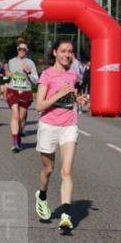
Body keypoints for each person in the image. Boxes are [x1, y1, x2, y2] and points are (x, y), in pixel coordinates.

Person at [34, 37, 87, 232]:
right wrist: (58, 94)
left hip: (69, 125)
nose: (67, 55)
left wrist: (77, 98)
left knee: (66, 171)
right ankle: (41, 196)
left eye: (70, 51)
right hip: (49, 125)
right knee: (48, 169)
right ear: (55, 52)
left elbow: (70, 97)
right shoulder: (47, 75)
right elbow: (39, 105)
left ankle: (65, 215)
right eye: (63, 51)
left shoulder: (73, 75)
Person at [5, 41, 39, 152]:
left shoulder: (30, 63)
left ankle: (19, 138)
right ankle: (15, 142)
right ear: (17, 49)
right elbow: (7, 74)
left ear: (27, 51)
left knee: (21, 118)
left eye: (24, 49)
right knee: (15, 115)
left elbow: (36, 80)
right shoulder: (11, 61)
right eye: (20, 49)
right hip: (13, 90)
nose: (22, 51)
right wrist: (7, 74)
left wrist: (28, 72)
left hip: (26, 91)